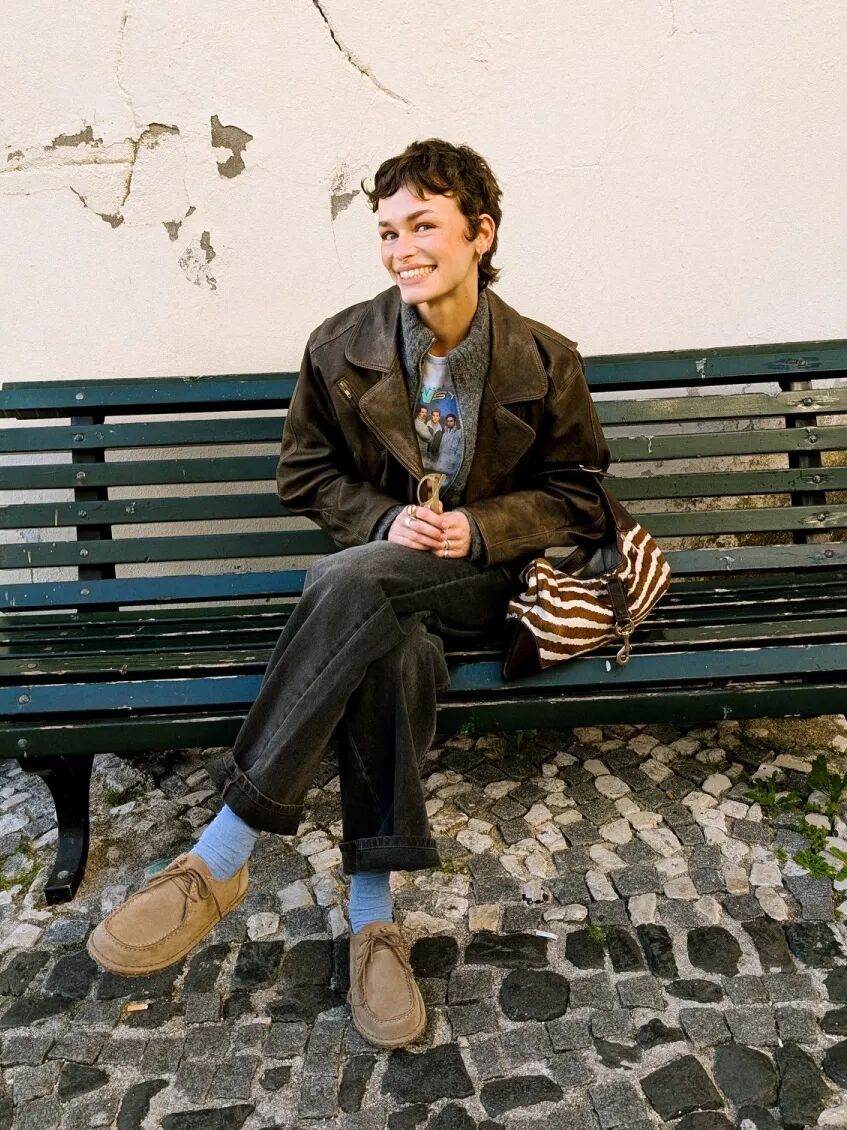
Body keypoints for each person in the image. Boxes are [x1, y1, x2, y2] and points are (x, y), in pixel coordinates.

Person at [87, 138, 612, 1050]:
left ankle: (222, 852)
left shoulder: (543, 358)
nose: (401, 248)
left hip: (484, 582)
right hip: (385, 588)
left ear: (480, 233)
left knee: (344, 580)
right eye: (386, 230)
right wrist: (383, 520)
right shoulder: (342, 348)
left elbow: (580, 494)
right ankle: (373, 922)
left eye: (422, 226)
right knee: (386, 642)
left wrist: (480, 527)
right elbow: (304, 473)